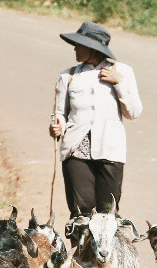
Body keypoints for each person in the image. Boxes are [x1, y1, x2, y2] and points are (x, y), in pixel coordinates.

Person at [49, 22, 143, 217]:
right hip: (76, 150)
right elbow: (60, 112)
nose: (75, 48)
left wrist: (119, 83)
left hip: (110, 149)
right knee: (80, 212)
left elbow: (133, 112)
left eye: (79, 45)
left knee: (107, 212)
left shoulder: (122, 72)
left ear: (92, 48)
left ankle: (107, 248)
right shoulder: (69, 76)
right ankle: (80, 247)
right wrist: (56, 125)